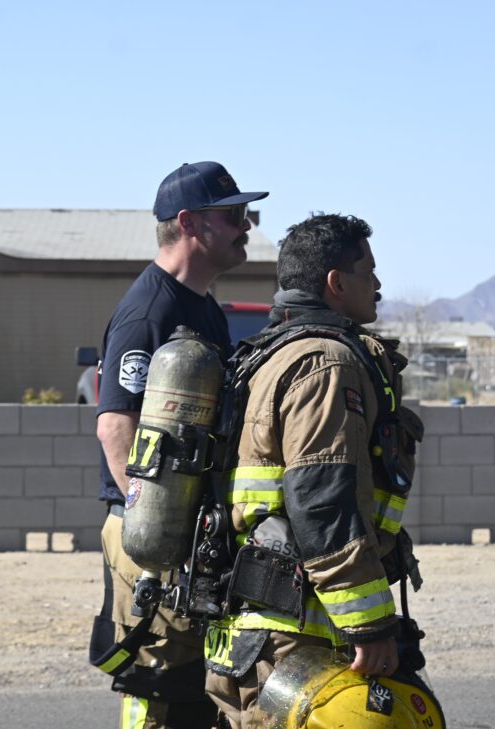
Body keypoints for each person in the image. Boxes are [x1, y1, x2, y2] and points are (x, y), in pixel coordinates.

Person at [203, 213, 425, 727]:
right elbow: (324, 500)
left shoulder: (268, 355)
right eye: (368, 272)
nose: (378, 285)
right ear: (336, 282)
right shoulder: (327, 363)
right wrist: (369, 625)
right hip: (299, 634)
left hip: (261, 627)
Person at [90, 161, 269, 729]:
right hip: (154, 535)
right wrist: (155, 531)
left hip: (186, 534)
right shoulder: (151, 310)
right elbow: (115, 425)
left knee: (195, 686)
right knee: (159, 681)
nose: (246, 225)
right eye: (233, 215)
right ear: (189, 222)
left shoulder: (203, 306)